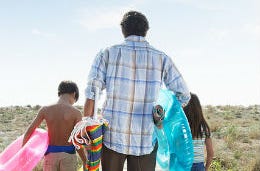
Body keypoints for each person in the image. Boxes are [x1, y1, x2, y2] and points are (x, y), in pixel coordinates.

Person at [84, 11, 190, 171]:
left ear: (123, 29)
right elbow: (183, 95)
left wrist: (86, 131)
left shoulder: (107, 53)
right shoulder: (162, 58)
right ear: (146, 30)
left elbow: (92, 94)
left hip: (112, 138)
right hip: (145, 140)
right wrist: (160, 114)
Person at [22, 80, 86, 171]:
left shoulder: (45, 109)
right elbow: (78, 140)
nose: (73, 103)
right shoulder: (76, 113)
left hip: (50, 156)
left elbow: (29, 131)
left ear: (59, 93)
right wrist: (84, 159)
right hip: (68, 157)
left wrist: (23, 152)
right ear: (74, 94)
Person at [183, 93, 214, 171]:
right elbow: (210, 154)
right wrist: (206, 168)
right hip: (199, 166)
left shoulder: (181, 127)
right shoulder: (204, 128)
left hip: (183, 163)